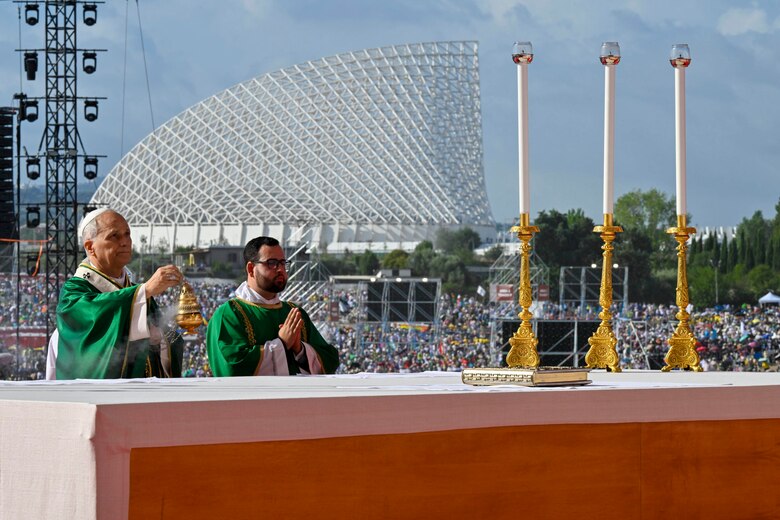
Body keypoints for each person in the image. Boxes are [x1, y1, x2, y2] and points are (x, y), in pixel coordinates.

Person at [47, 208, 184, 379]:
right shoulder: (75, 292)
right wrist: (145, 290)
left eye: (127, 234)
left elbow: (168, 340)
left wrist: (161, 340)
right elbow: (94, 320)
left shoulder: (138, 294)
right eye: (114, 236)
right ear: (90, 247)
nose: (125, 241)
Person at [206, 236, 339, 376]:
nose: (281, 269)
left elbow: (330, 360)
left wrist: (300, 350)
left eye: (283, 263)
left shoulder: (293, 312)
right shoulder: (229, 314)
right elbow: (232, 367)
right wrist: (281, 344)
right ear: (251, 269)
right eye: (272, 263)